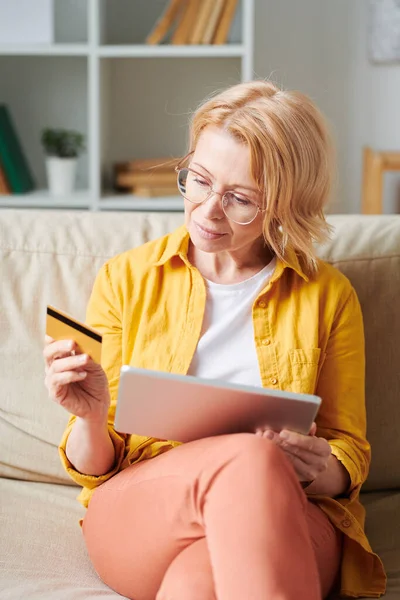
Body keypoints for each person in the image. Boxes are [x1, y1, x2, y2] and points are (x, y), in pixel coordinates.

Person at [44, 80, 386, 600]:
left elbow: (349, 453)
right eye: (198, 181)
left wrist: (319, 466)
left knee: (199, 580)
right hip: (146, 512)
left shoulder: (328, 295)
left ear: (286, 204)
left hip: (290, 512)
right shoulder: (126, 278)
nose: (207, 211)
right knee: (251, 457)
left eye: (240, 199)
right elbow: (96, 467)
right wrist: (91, 417)